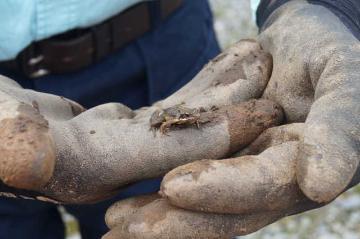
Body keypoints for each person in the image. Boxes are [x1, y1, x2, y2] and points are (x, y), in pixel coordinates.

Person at [0, 0, 359, 239]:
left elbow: (185, 117)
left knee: (175, 205)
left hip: (164, 47)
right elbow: (166, 121)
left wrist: (336, 8)